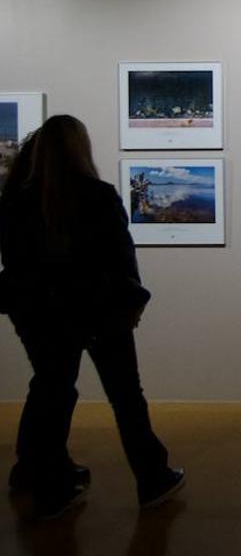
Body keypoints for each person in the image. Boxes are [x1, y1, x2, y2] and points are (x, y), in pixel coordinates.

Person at [0, 116, 184, 521]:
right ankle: (152, 477)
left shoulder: (17, 202)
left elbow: (15, 266)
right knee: (124, 396)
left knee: (50, 390)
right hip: (101, 312)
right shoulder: (96, 196)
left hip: (40, 315)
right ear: (80, 149)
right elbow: (121, 259)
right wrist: (132, 302)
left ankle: (41, 476)